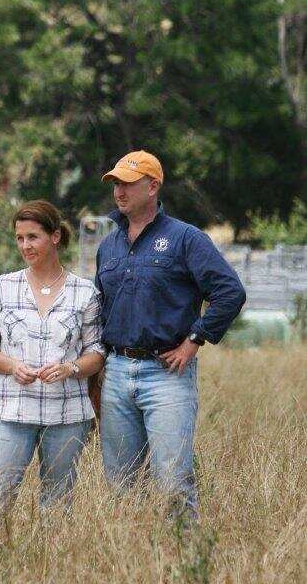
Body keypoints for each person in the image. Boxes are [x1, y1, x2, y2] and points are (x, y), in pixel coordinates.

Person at [96, 150, 246, 519]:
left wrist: (195, 340)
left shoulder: (185, 239)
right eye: (115, 183)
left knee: (173, 481)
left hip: (167, 374)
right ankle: (130, 562)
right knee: (119, 483)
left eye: (127, 183)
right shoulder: (108, 246)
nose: (119, 191)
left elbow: (230, 292)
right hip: (115, 372)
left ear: (153, 186)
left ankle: (181, 561)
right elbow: (100, 306)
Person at [0, 200, 105, 530]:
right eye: (19, 238)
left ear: (55, 236)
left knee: (58, 505)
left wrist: (71, 368)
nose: (25, 246)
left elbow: (97, 353)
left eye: (33, 237)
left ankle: (48, 574)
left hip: (66, 415)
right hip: (11, 411)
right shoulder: (3, 287)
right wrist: (11, 365)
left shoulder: (84, 292)